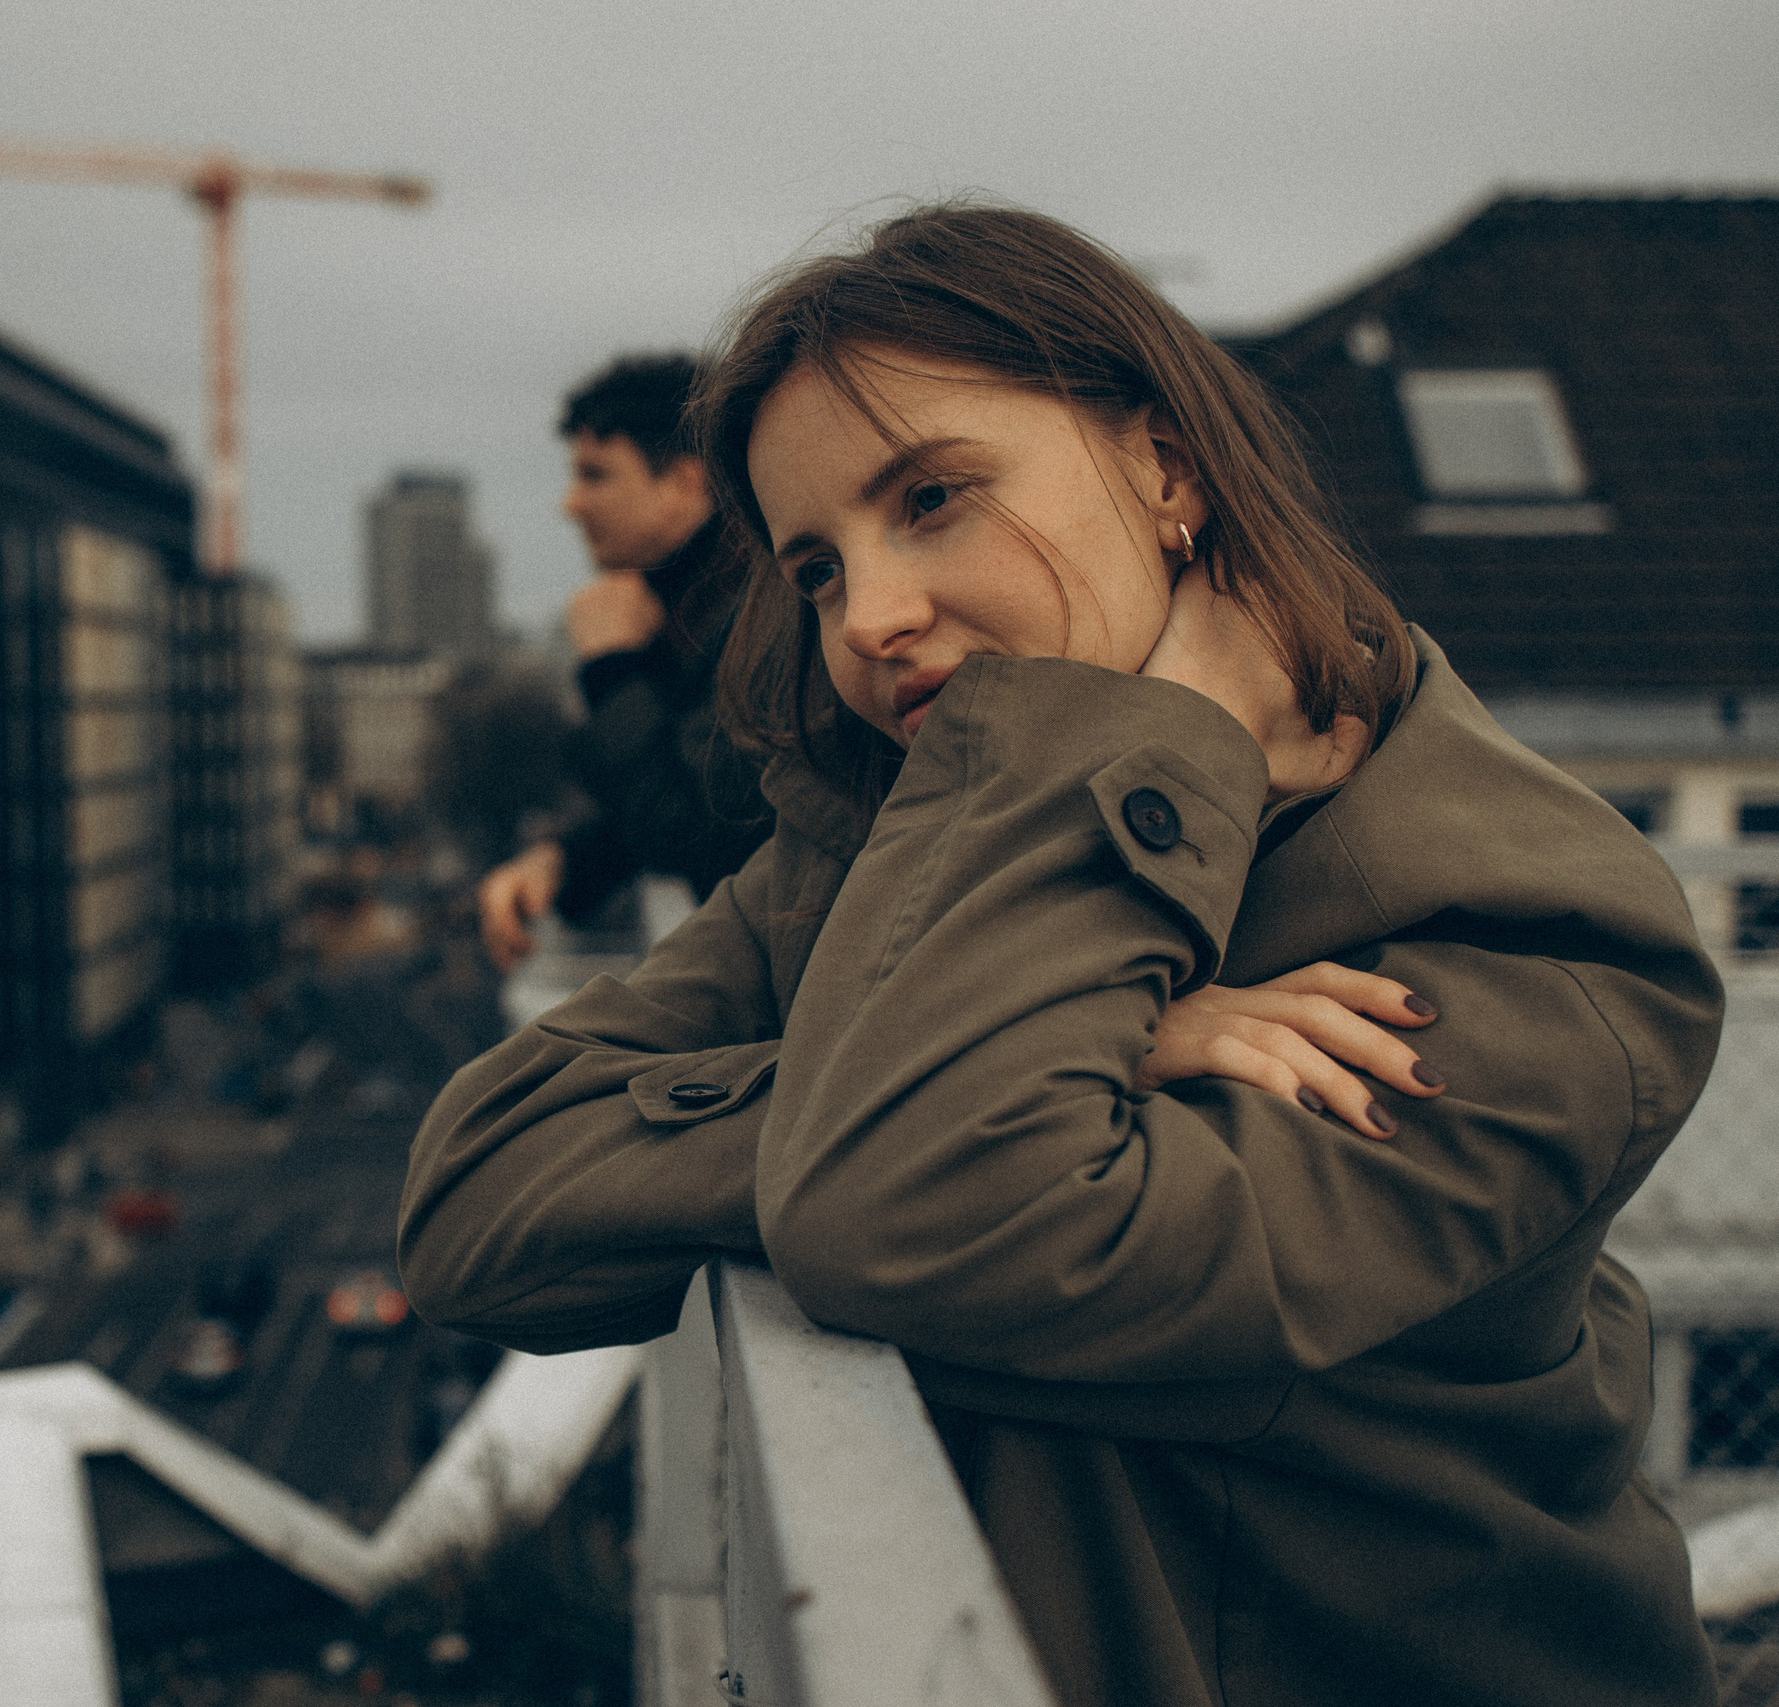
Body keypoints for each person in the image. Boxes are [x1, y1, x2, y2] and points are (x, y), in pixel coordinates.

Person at [400, 204, 1722, 1706]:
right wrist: (1049, 1046)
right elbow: (471, 1202)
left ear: (1167, 468)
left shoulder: (1538, 939)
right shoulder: (879, 842)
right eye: (818, 567)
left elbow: (917, 1208)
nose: (872, 618)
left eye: (936, 497)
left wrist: (962, 1058)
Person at [476, 354, 773, 971]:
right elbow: (693, 773)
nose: (571, 504)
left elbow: (703, 835)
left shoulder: (762, 609)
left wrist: (612, 670)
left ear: (685, 483)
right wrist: (571, 859)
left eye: (596, 475)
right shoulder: (695, 598)